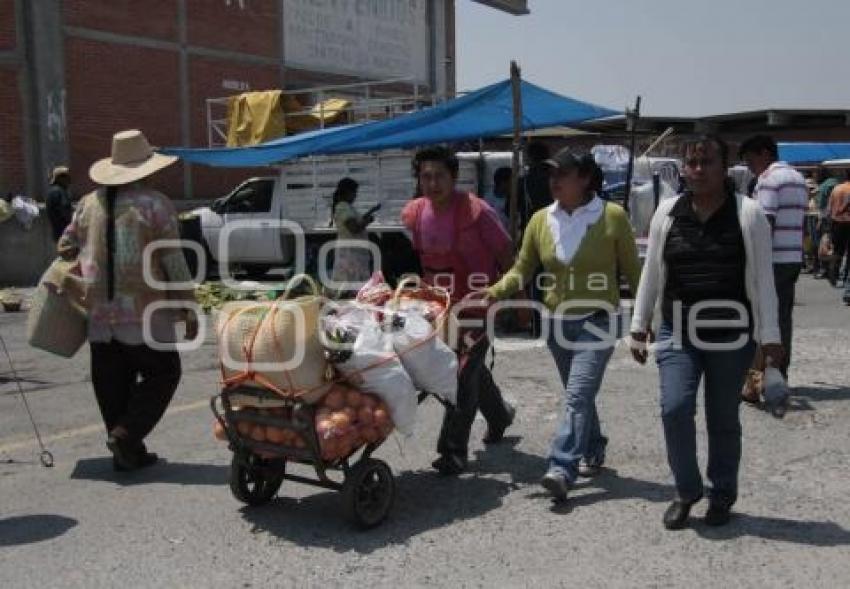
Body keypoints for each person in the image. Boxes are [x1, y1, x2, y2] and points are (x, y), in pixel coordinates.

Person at [630, 135, 783, 529]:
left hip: (732, 336)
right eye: (691, 163)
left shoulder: (748, 214)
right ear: (683, 168)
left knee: (723, 418)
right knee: (674, 408)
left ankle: (721, 493)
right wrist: (638, 324)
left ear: (724, 166)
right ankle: (686, 490)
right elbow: (652, 271)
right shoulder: (667, 212)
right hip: (677, 332)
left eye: (707, 162)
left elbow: (764, 280)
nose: (697, 170)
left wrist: (771, 339)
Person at [483, 147, 641, 502]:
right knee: (578, 393)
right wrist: (494, 292)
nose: (553, 181)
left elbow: (634, 271)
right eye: (550, 174)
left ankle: (561, 467)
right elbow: (523, 268)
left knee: (577, 394)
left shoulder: (613, 216)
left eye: (562, 174)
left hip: (599, 321)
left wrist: (645, 322)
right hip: (555, 322)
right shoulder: (541, 219)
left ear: (585, 178)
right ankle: (595, 446)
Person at [57, 129, 198, 471]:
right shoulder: (155, 205)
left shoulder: (88, 204)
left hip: (99, 315)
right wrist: (189, 308)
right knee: (164, 373)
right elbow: (174, 261)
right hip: (144, 313)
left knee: (111, 383)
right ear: (145, 168)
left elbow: (64, 246)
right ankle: (125, 436)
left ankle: (128, 450)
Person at [401, 146, 515, 475]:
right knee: (469, 370)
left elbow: (507, 253)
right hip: (438, 308)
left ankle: (452, 451)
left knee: (461, 373)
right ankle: (500, 416)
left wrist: (513, 298)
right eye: (426, 176)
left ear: (454, 177)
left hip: (480, 306)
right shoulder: (415, 214)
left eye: (439, 176)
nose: (432, 183)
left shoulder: (477, 211)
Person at [739, 134, 805, 380]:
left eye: (750, 161)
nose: (750, 168)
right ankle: (779, 371)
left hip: (772, 261)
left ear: (764, 154)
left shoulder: (768, 179)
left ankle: (762, 375)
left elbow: (765, 223)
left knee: (762, 317)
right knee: (782, 318)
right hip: (793, 257)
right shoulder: (797, 178)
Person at [329, 177, 374, 293]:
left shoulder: (346, 207)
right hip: (350, 252)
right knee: (350, 285)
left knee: (352, 283)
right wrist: (367, 221)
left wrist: (369, 213)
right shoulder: (343, 207)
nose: (355, 196)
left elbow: (356, 222)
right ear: (347, 192)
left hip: (353, 251)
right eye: (354, 192)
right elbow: (354, 228)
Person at [517, 141, 554, 229]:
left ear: (530, 157)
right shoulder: (557, 176)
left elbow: (511, 208)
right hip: (554, 226)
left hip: (531, 226)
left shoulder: (524, 181)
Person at [827, 171, 850, 301]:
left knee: (837, 251)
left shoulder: (837, 188)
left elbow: (829, 208)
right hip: (848, 222)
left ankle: (833, 275)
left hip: (837, 223)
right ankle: (846, 276)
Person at [45, 166, 74, 241]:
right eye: (67, 177)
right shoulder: (60, 192)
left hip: (57, 233)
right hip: (65, 233)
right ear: (60, 178)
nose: (69, 180)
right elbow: (65, 212)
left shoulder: (51, 192)